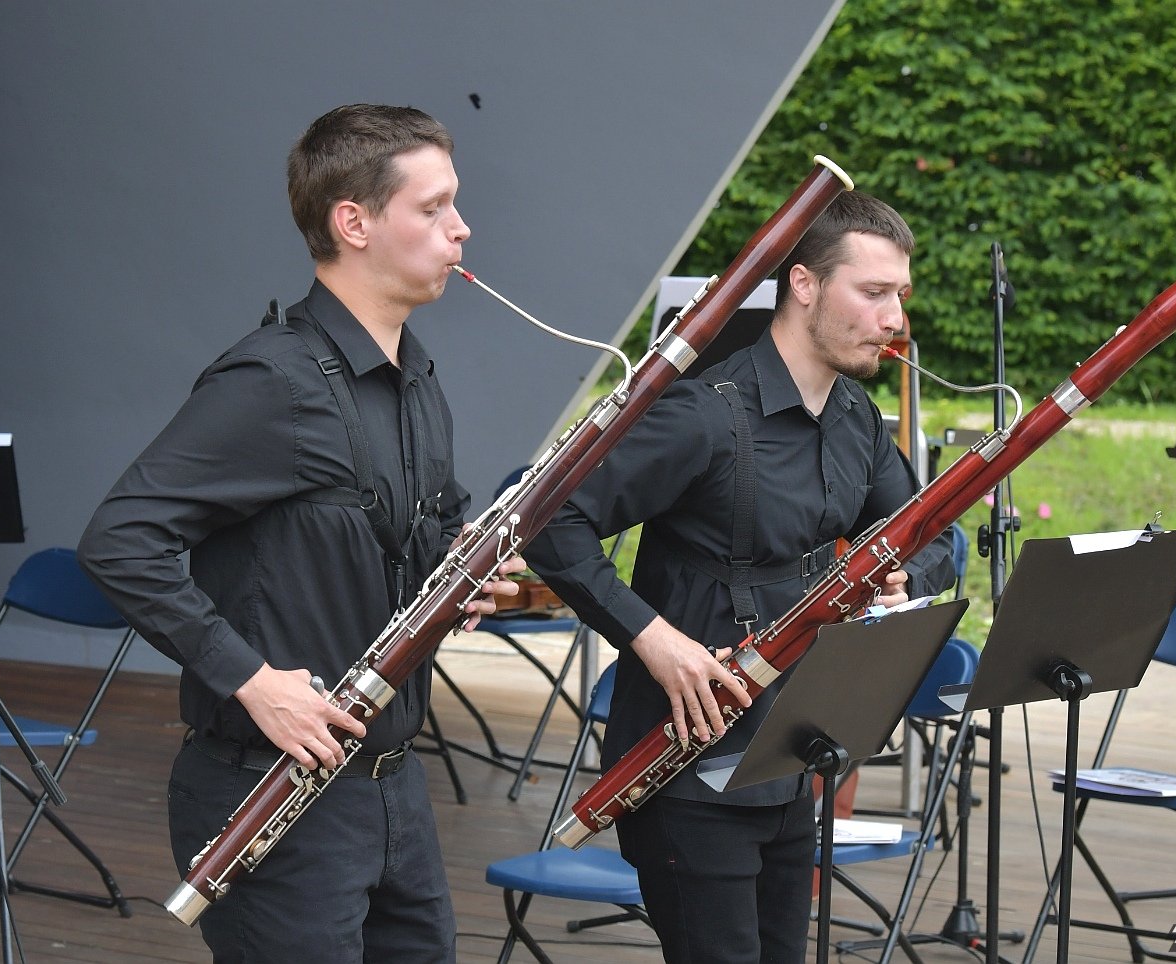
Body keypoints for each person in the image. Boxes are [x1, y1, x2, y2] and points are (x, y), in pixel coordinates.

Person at [78, 103, 521, 964]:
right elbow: (119, 539)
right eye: (432, 207)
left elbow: (418, 531)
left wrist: (463, 573)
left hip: (395, 790)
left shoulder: (416, 376)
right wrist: (249, 678)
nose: (461, 228)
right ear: (353, 223)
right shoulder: (271, 380)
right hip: (270, 791)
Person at [526, 191, 956, 964]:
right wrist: (653, 639)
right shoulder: (703, 413)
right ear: (804, 285)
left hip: (789, 757)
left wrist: (904, 579)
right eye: (873, 292)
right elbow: (552, 524)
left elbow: (933, 535)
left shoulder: (855, 416)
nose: (894, 319)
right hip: (687, 763)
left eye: (900, 295)